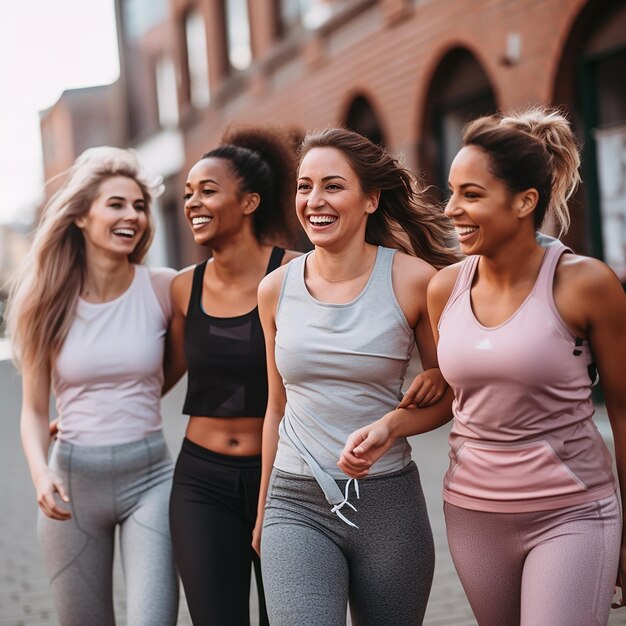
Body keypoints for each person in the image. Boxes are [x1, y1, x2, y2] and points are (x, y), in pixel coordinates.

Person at [342, 107, 626, 625]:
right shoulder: (443, 288)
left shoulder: (586, 284)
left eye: (471, 195)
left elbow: (625, 415)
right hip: (474, 514)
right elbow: (454, 394)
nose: (451, 209)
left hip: (572, 510)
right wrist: (389, 426)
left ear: (524, 201)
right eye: (452, 192)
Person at [254, 128, 457, 626]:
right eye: (304, 186)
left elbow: (451, 397)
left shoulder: (414, 280)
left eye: (332, 186)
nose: (314, 201)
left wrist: (408, 409)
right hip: (294, 500)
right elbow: (275, 407)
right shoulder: (274, 289)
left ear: (371, 199)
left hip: (388, 503)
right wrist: (263, 510)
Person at [6, 147, 180, 626]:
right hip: (72, 487)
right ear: (81, 215)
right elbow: (34, 411)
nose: (133, 216)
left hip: (151, 479)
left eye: (139, 206)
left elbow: (185, 361)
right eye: (117, 204)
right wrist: (41, 475)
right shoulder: (45, 301)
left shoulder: (164, 288)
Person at [167, 125, 301, 626]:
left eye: (207, 190)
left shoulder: (294, 276)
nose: (192, 202)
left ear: (248, 203)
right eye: (187, 194)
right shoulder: (183, 289)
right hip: (201, 483)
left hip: (288, 478)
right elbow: (155, 376)